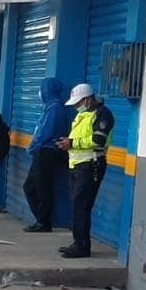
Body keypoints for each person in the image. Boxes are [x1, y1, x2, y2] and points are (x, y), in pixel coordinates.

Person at [56, 83, 115, 259]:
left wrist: (72, 143)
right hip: (77, 166)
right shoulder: (83, 114)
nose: (76, 106)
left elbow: (98, 139)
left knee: (81, 206)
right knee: (77, 205)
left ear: (88, 99)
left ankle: (82, 246)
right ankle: (78, 242)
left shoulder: (102, 114)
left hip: (91, 166)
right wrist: (68, 142)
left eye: (78, 102)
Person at [22, 78, 69, 233]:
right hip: (45, 150)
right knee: (33, 186)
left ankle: (43, 221)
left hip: (46, 151)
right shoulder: (52, 107)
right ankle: (41, 219)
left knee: (40, 187)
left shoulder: (54, 108)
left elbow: (46, 131)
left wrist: (33, 146)